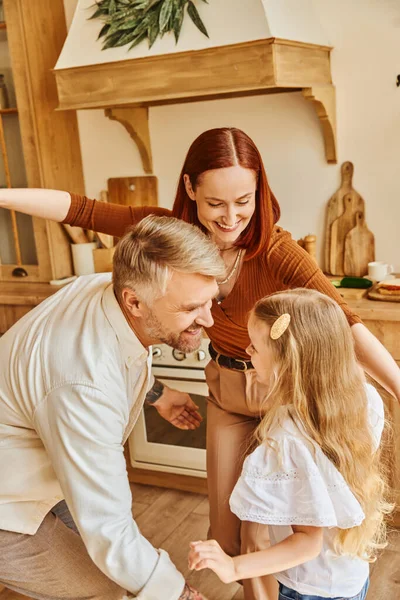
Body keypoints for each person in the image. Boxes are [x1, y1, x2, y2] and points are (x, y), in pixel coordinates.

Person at [1, 127, 399, 600]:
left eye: (244, 200)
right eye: (215, 203)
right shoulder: (161, 244)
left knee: (279, 523)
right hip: (224, 391)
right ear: (191, 190)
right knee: (227, 527)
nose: (231, 217)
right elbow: (80, 209)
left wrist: (396, 384)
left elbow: (342, 320)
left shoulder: (270, 251)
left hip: (276, 390)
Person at [0, 215, 225, 600]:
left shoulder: (104, 287)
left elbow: (116, 363)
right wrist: (182, 595)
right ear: (134, 301)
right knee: (106, 590)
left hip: (43, 467)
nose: (207, 319)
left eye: (211, 301)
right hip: (8, 504)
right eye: (191, 308)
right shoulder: (82, 383)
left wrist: (157, 393)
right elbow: (109, 530)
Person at [188, 288, 393, 600]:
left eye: (254, 347)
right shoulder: (365, 401)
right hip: (351, 576)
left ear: (286, 364)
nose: (247, 350)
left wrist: (233, 567)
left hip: (308, 588)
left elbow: (307, 543)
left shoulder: (289, 440)